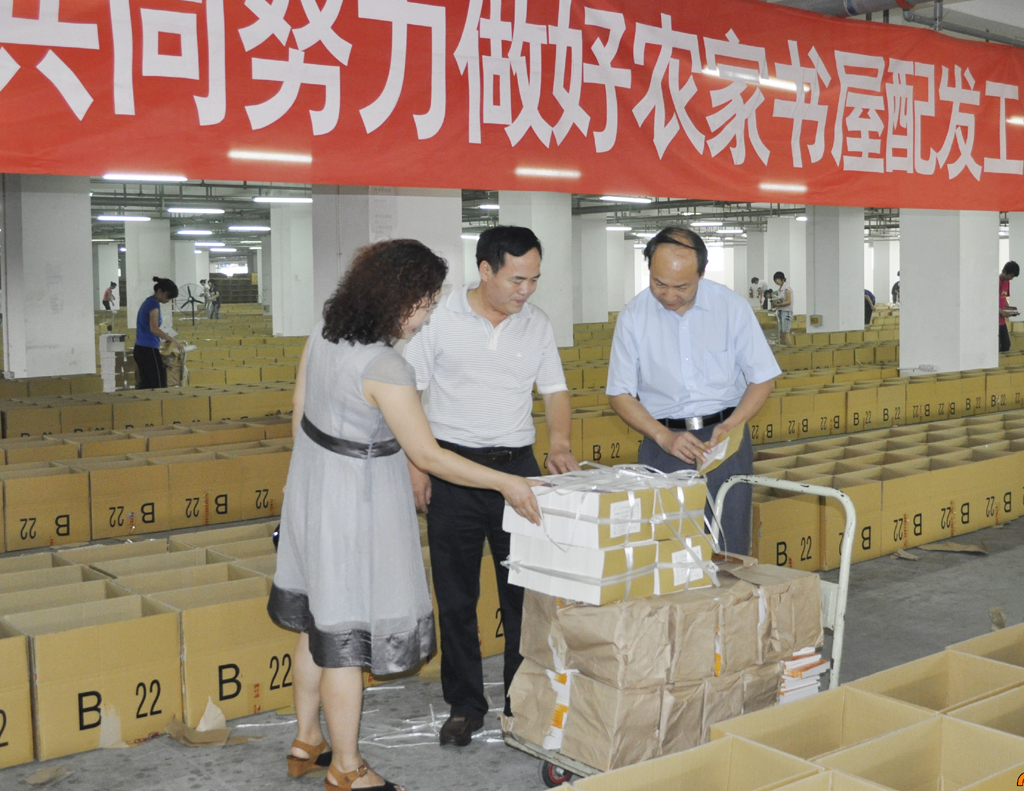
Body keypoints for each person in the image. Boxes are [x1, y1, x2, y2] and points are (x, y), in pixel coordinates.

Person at [268, 239, 541, 791]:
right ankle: (347, 767)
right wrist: (505, 481)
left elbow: (299, 411)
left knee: (318, 619)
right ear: (396, 298)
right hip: (354, 504)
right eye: (425, 302)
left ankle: (307, 739)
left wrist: (316, 475)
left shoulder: (324, 335)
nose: (428, 314)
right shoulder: (385, 366)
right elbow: (428, 455)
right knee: (344, 639)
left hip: (313, 489)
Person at [403, 225, 578, 747]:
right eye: (517, 279)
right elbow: (409, 393)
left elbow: (555, 390)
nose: (527, 290)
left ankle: (519, 702)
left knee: (522, 594)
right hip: (452, 469)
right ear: (485, 270)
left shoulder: (536, 324)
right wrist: (416, 466)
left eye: (534, 279)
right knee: (456, 596)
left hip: (518, 471)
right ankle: (465, 705)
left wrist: (560, 442)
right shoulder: (440, 319)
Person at [606, 226, 781, 555]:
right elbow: (619, 394)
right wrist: (664, 438)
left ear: (701, 273)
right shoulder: (633, 317)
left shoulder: (730, 307)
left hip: (724, 441)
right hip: (663, 444)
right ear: (649, 270)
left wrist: (733, 424)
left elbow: (763, 379)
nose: (669, 295)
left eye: (682, 287)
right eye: (659, 284)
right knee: (669, 549)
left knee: (729, 545)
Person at [133, 276, 182, 389]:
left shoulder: (149, 302)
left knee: (147, 385)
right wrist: (172, 339)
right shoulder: (153, 305)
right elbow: (154, 328)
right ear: (160, 291)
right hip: (148, 350)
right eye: (168, 297)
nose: (168, 300)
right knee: (158, 385)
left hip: (141, 348)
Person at [999, 261, 1019, 352]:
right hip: (994, 320)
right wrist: (1001, 311)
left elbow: (1003, 299)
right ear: (1005, 272)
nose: (1011, 279)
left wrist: (1009, 309)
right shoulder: (996, 282)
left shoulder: (1007, 283)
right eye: (1011, 276)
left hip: (1001, 320)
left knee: (1006, 344)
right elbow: (990, 302)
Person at [772, 271, 793, 346]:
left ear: (782, 279)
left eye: (777, 280)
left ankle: (789, 348)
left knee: (785, 332)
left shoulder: (787, 288)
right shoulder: (780, 289)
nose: (776, 282)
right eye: (775, 281)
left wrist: (778, 304)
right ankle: (784, 347)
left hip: (786, 312)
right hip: (780, 311)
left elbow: (789, 301)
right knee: (781, 333)